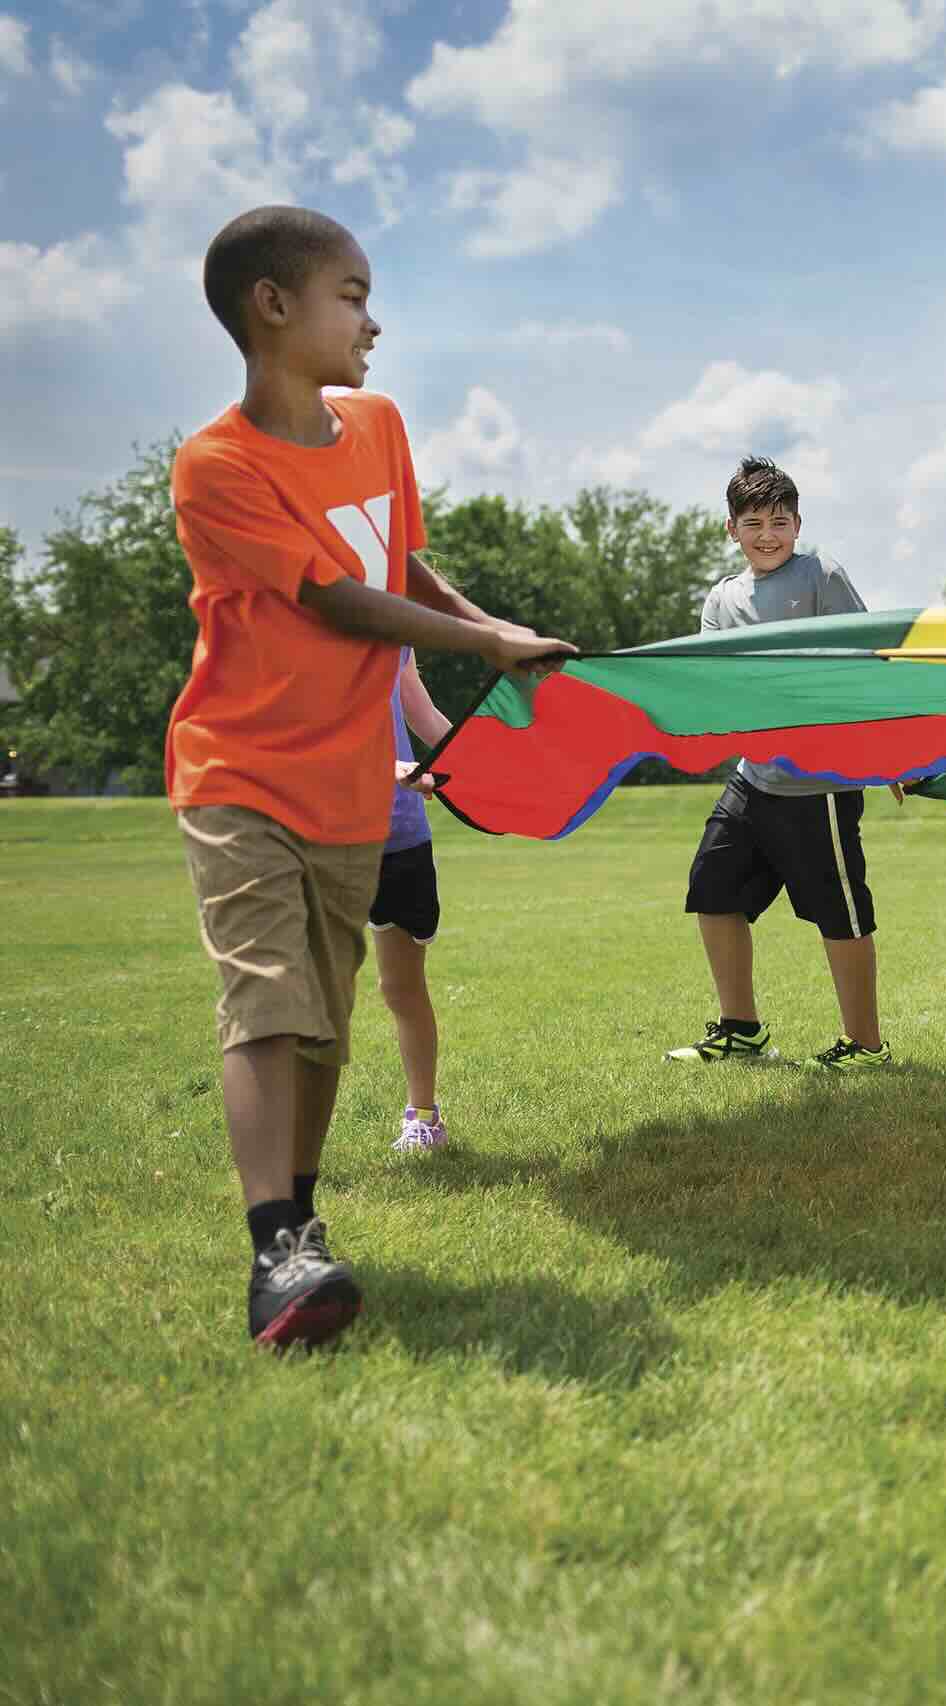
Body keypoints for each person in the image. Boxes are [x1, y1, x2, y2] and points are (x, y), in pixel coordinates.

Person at [171, 205, 569, 1349]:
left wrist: (492, 622)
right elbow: (334, 599)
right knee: (268, 994)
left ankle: (299, 1222)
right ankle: (277, 1247)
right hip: (239, 770)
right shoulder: (216, 467)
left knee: (329, 1029)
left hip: (355, 783)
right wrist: (484, 647)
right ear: (273, 305)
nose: (374, 320)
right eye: (352, 294)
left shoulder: (379, 424)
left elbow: (394, 563)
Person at [664, 456, 893, 1071]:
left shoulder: (821, 573)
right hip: (752, 780)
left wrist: (892, 751)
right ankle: (741, 1029)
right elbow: (709, 684)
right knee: (712, 891)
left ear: (798, 524)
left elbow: (865, 660)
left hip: (819, 785)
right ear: (731, 529)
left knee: (838, 913)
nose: (768, 534)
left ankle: (866, 1045)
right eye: (754, 521)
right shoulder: (721, 598)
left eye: (780, 521)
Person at [376, 648, 453, 1152]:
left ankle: (423, 1117)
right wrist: (388, 766)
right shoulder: (297, 619)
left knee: (401, 986)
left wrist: (485, 757)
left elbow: (418, 708)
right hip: (320, 835)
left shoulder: (397, 627)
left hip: (397, 833)